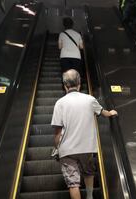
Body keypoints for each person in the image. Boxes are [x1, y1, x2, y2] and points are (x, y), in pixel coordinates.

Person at [51, 69, 118, 199]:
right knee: (88, 172)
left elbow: (57, 132)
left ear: (65, 85)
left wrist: (57, 148)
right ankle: (89, 196)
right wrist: (111, 113)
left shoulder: (60, 103)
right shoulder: (90, 99)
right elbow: (103, 112)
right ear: (79, 83)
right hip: (86, 147)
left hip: (67, 149)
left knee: (73, 183)